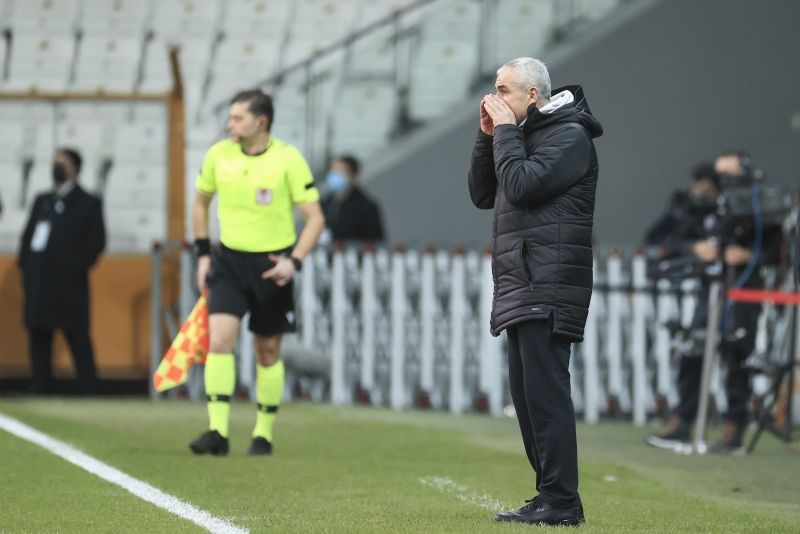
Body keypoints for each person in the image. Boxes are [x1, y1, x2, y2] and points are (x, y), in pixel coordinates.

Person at [468, 57, 602, 526]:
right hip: (522, 278)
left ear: (532, 95)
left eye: (504, 90)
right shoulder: (521, 134)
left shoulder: (571, 135)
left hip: (548, 279)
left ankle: (563, 500)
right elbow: (485, 192)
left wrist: (505, 134)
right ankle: (549, 494)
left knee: (545, 396)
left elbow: (521, 187)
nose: (495, 97)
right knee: (526, 398)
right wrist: (489, 136)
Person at [190, 89, 325, 456]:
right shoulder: (219, 154)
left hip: (271, 267)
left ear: (260, 121)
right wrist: (203, 255)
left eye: (237, 118)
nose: (230, 123)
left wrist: (293, 261)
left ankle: (262, 433)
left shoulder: (287, 159)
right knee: (219, 342)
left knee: (267, 349)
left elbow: (315, 219)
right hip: (228, 263)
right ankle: (217, 431)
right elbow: (200, 204)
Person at [646, 151, 783, 453]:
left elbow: (778, 250)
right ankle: (683, 420)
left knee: (737, 353)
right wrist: (697, 247)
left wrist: (748, 256)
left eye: (731, 175)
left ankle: (734, 428)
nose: (724, 183)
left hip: (744, 288)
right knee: (693, 348)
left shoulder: (759, 208)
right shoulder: (704, 208)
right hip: (710, 289)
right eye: (720, 176)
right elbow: (671, 239)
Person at [18, 148, 106, 395]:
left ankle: (90, 390)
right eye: (55, 162)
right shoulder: (42, 200)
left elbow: (96, 242)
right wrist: (26, 266)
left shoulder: (88, 202)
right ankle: (40, 387)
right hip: (39, 281)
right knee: (39, 336)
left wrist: (75, 267)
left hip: (69, 283)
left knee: (77, 336)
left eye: (64, 163)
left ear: (76, 169)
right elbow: (27, 239)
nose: (58, 167)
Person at [320, 155, 385, 243]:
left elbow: (377, 242)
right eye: (332, 171)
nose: (334, 176)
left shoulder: (366, 207)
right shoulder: (324, 204)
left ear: (353, 176)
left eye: (339, 172)